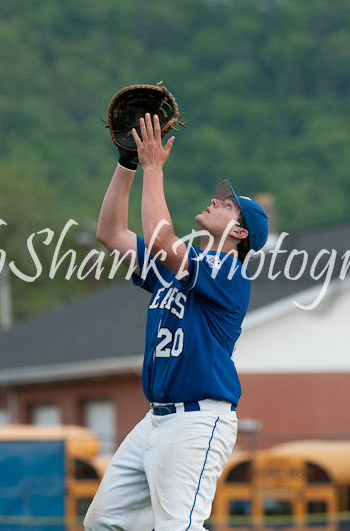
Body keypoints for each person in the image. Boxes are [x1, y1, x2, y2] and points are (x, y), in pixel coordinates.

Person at [83, 113, 268, 531]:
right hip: (157, 419)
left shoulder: (228, 272)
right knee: (104, 521)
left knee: (177, 527)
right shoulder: (176, 269)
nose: (216, 201)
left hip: (198, 420)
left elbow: (161, 239)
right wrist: (128, 163)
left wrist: (153, 167)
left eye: (228, 205)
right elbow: (111, 233)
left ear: (240, 233)